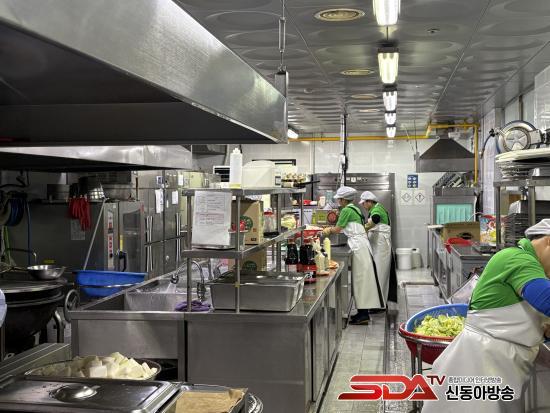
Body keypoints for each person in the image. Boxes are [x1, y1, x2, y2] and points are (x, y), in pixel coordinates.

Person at [423, 219, 550, 413]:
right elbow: (546, 299)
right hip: (480, 361)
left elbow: (525, 317)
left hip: (499, 363)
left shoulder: (535, 268)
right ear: (548, 241)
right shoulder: (517, 258)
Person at [322, 186, 383, 325]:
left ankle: (363, 315)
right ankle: (363, 313)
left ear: (343, 200)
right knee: (363, 280)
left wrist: (327, 230)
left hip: (358, 246)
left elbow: (338, 228)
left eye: (339, 199)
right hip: (362, 244)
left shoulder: (346, 210)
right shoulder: (355, 208)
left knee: (361, 280)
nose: (338, 201)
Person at [359, 191, 397, 310]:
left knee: (380, 273)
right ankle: (377, 302)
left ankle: (378, 305)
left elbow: (375, 218)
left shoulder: (377, 209)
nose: (363, 205)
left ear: (369, 202)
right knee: (378, 272)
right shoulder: (377, 208)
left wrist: (364, 228)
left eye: (364, 203)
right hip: (379, 246)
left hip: (381, 246)